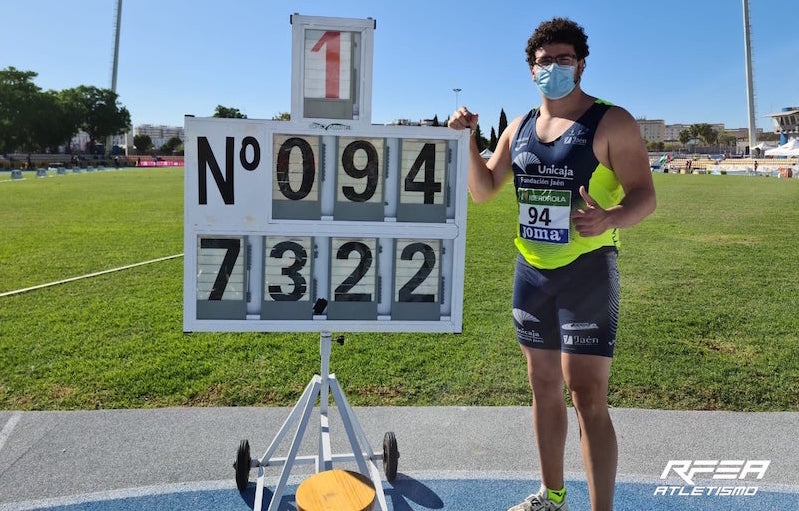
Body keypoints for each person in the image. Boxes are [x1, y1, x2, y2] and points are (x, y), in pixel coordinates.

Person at [449, 17, 656, 511]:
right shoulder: (518, 128)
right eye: (545, 61)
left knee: (586, 394)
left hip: (587, 271)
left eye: (564, 59)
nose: (555, 68)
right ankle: (552, 495)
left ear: (581, 64)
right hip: (532, 273)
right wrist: (469, 141)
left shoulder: (611, 121)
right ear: (531, 70)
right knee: (543, 385)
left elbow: (646, 195)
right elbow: (483, 191)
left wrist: (614, 216)